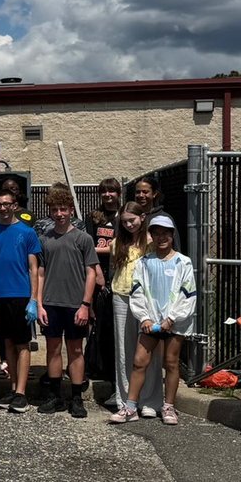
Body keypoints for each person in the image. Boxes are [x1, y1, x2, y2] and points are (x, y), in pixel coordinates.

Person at [110, 215, 196, 427]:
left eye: (165, 233)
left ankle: (168, 406)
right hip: (151, 321)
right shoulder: (144, 262)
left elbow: (188, 294)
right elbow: (137, 291)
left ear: (172, 235)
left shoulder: (183, 262)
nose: (161, 238)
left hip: (175, 322)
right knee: (139, 362)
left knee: (171, 362)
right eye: (156, 233)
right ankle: (130, 407)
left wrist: (172, 318)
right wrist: (145, 317)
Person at [36, 186, 98, 419]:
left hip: (75, 304)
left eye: (63, 209)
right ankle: (55, 396)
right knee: (52, 350)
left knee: (75, 350)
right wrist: (39, 303)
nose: (60, 213)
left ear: (71, 210)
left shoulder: (83, 239)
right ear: (50, 212)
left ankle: (76, 398)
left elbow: (91, 272)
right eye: (55, 209)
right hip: (51, 302)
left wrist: (85, 304)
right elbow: (40, 273)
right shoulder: (44, 239)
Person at [0, 189, 40, 414]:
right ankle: (13, 387)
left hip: (21, 295)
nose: (3, 208)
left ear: (15, 205)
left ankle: (22, 394)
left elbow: (33, 268)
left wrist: (33, 299)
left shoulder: (27, 233)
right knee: (7, 345)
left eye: (7, 204)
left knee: (22, 344)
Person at [107, 202, 162, 415]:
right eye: (125, 222)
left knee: (150, 348)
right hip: (121, 294)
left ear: (142, 217)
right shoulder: (116, 243)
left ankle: (151, 401)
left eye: (133, 220)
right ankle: (125, 398)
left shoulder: (151, 242)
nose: (130, 224)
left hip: (147, 298)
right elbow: (115, 268)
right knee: (123, 347)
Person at [86, 178, 121, 381]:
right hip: (98, 274)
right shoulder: (94, 217)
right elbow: (89, 246)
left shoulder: (124, 216)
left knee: (116, 323)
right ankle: (96, 364)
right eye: (104, 191)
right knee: (96, 321)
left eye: (112, 191)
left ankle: (114, 367)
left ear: (118, 193)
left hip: (119, 274)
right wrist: (97, 270)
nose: (108, 195)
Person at [133, 176, 181, 249]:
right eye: (138, 192)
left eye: (145, 192)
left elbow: (175, 246)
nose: (141, 195)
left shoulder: (164, 218)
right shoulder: (130, 217)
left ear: (154, 194)